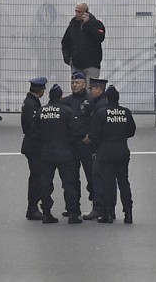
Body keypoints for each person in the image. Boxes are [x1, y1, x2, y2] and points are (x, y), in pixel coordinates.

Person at [89, 85, 136, 223]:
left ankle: (108, 214)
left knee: (108, 183)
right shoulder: (126, 112)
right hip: (122, 150)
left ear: (107, 98)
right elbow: (131, 131)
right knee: (124, 182)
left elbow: (93, 134)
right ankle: (128, 213)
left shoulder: (101, 113)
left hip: (105, 152)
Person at [38, 84, 80, 224]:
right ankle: (73, 213)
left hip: (46, 151)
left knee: (45, 183)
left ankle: (46, 212)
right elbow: (75, 132)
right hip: (64, 151)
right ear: (61, 97)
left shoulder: (41, 111)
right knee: (69, 183)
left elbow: (34, 132)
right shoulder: (67, 111)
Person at [61, 71, 93, 217]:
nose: (74, 85)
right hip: (71, 144)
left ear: (84, 84)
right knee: (71, 178)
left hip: (87, 144)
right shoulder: (66, 101)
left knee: (92, 176)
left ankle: (96, 206)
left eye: (77, 82)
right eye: (72, 83)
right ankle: (73, 207)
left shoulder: (91, 100)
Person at [82, 77, 109, 221]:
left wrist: (90, 139)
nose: (90, 91)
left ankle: (99, 208)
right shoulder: (99, 103)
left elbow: (99, 127)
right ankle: (107, 210)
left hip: (99, 147)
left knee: (98, 178)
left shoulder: (101, 106)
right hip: (102, 147)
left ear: (98, 89)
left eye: (92, 88)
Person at [20, 76, 47, 220]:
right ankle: (32, 207)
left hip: (31, 145)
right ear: (41, 90)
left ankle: (34, 206)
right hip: (34, 147)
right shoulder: (32, 105)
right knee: (37, 177)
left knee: (36, 176)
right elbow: (32, 127)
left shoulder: (29, 102)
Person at [61, 3, 106, 84]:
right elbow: (65, 42)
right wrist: (68, 59)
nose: (76, 14)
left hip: (92, 65)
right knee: (77, 89)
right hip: (76, 64)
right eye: (76, 11)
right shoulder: (73, 25)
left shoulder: (96, 24)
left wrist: (88, 24)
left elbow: (100, 37)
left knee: (89, 90)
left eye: (79, 12)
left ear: (85, 13)